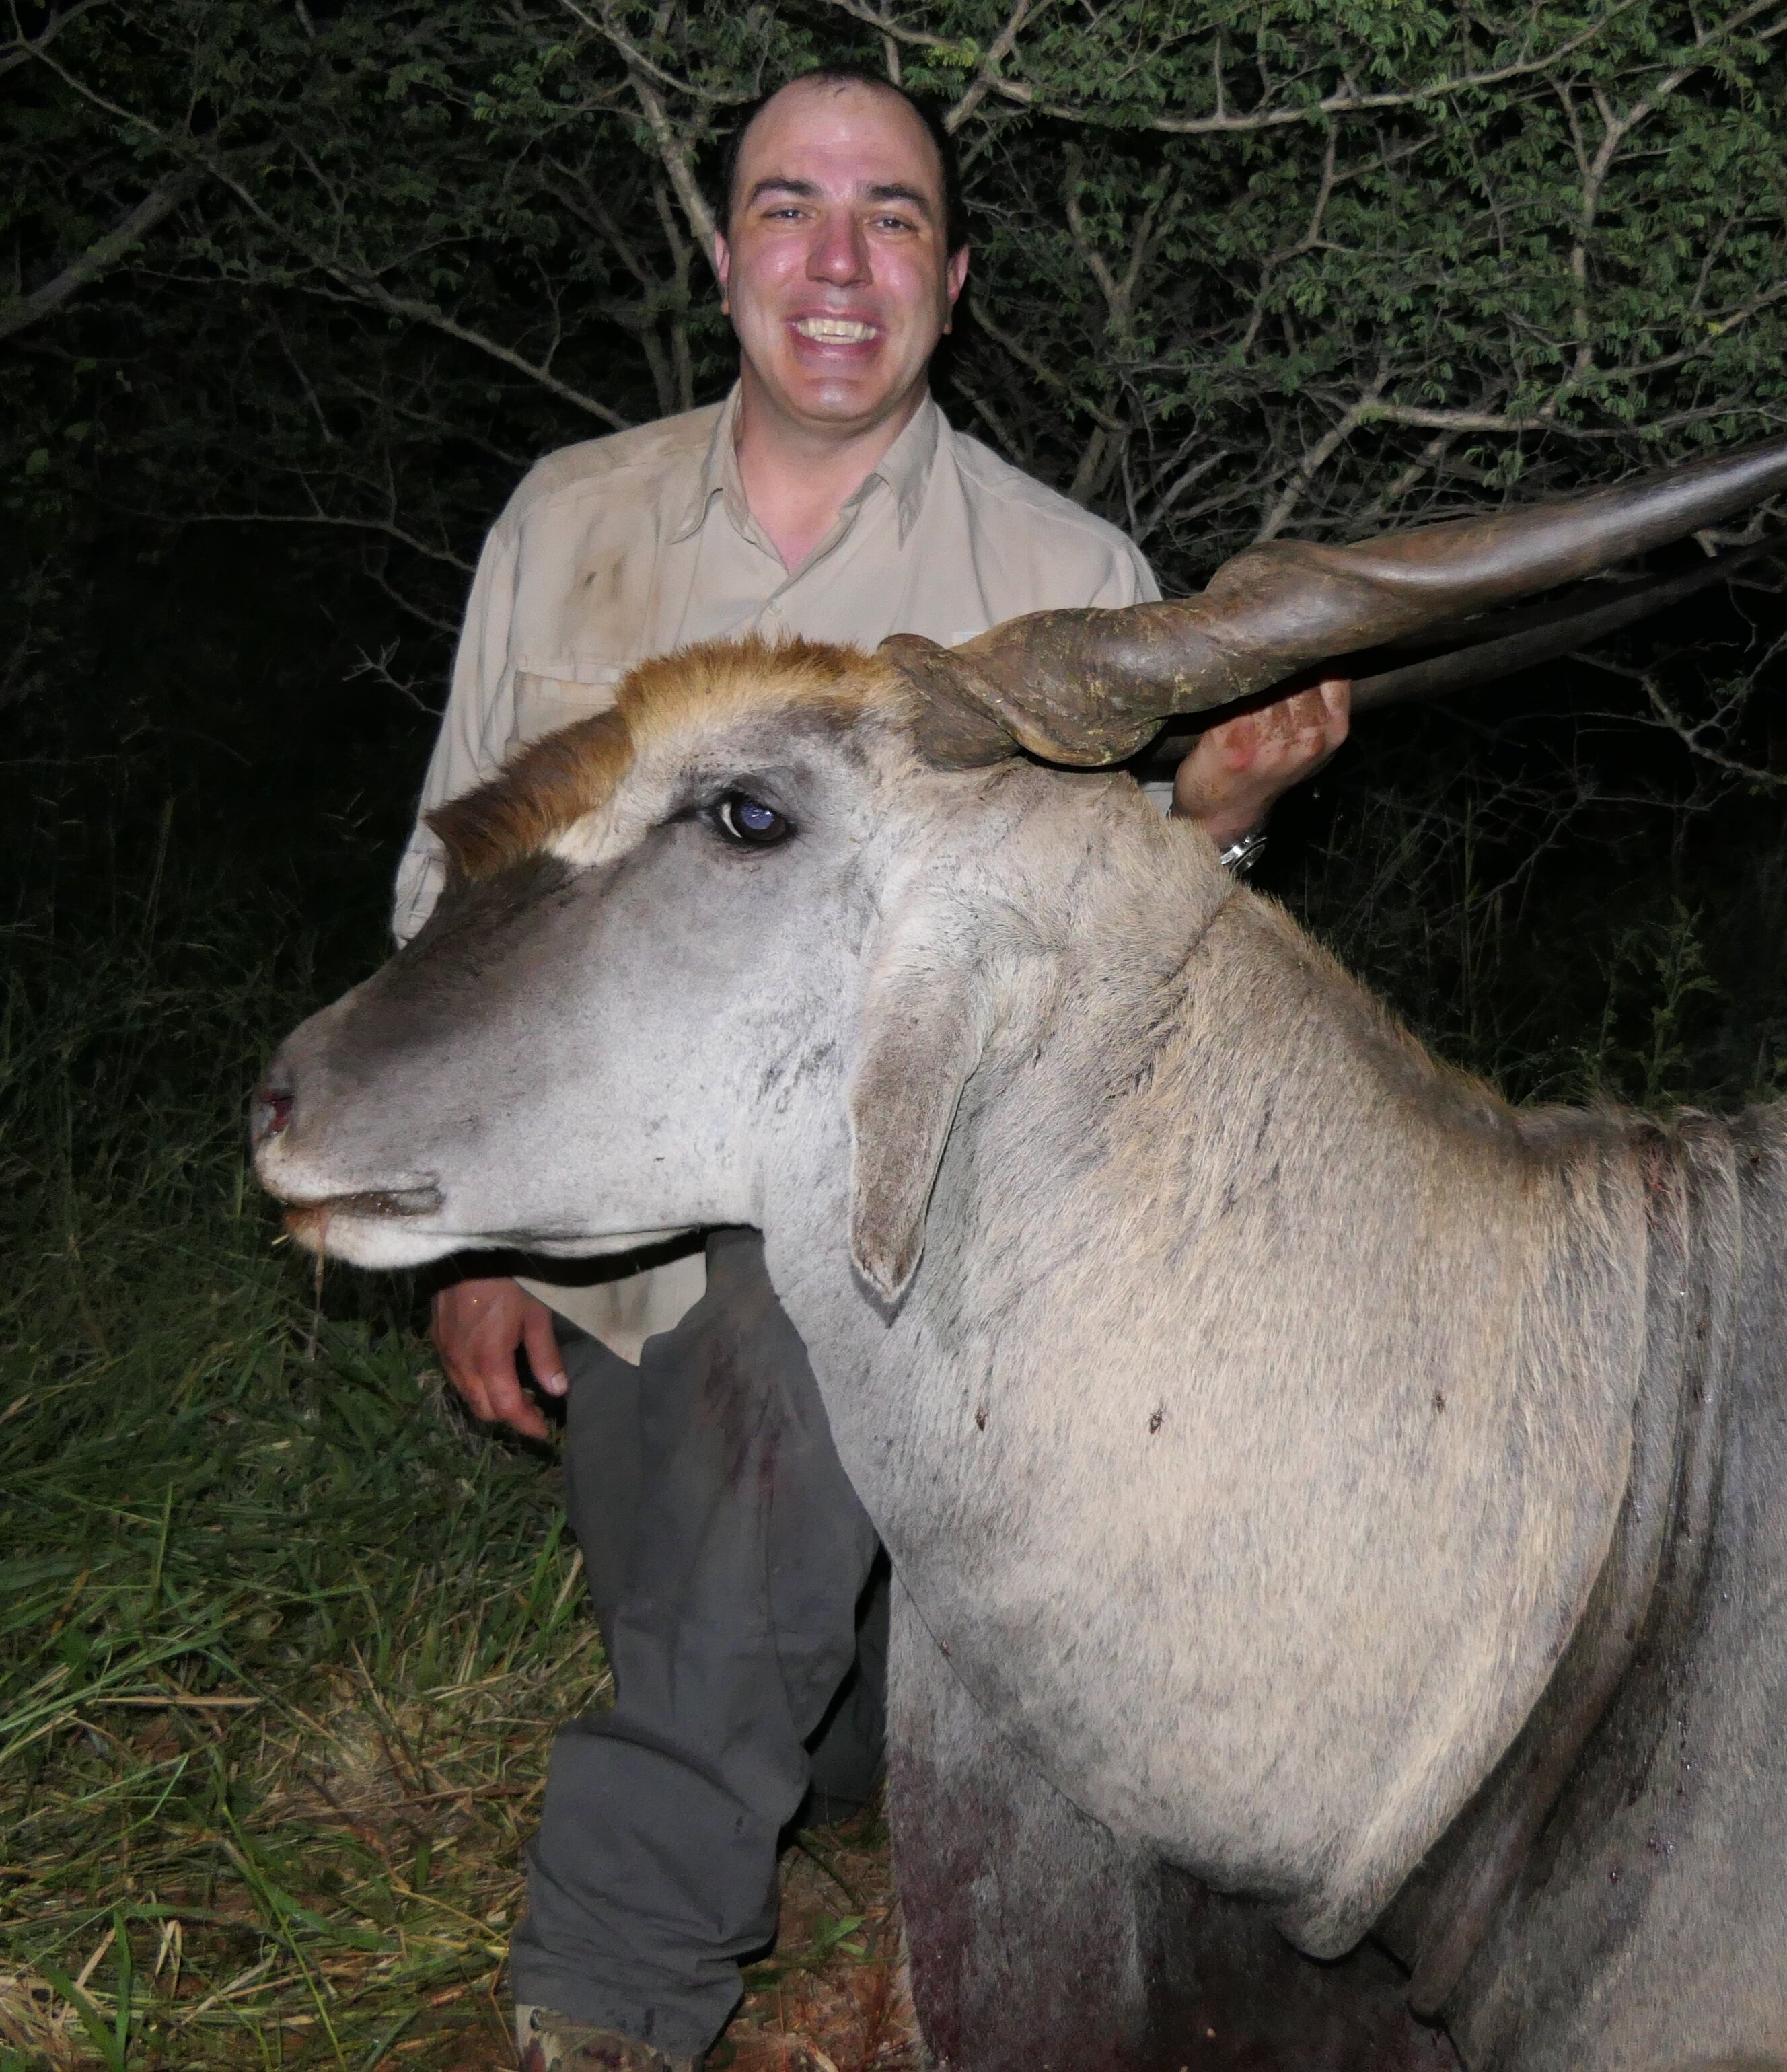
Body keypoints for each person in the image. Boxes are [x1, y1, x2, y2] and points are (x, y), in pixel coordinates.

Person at [392, 66, 1348, 2072]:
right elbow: (451, 904)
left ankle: (608, 1994)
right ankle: (823, 1715)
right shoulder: (566, 521)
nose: (840, 263)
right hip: (626, 1267)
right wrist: (464, 1241)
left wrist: (1221, 813)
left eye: (894, 218)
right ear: (721, 248)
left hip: (917, 1258)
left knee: (826, 1298)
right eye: (793, 209)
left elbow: (1102, 970)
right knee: (810, 1715)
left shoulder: (1063, 568)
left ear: (954, 276)